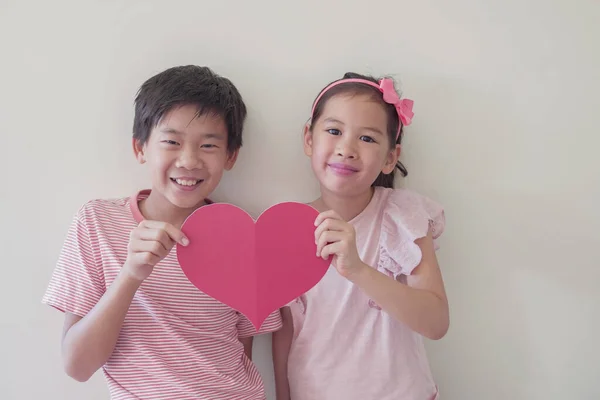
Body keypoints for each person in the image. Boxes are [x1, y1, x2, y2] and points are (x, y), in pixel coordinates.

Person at [42, 65, 282, 399]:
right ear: (140, 148)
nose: (188, 160)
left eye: (209, 146)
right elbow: (77, 366)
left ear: (231, 156)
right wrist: (130, 274)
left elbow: (242, 354)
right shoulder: (97, 222)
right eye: (171, 141)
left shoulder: (244, 235)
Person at [272, 72, 449, 400]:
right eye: (334, 131)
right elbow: (284, 329)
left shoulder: (403, 216)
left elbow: (436, 323)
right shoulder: (286, 227)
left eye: (367, 138)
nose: (347, 149)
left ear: (390, 158)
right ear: (309, 139)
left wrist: (358, 269)